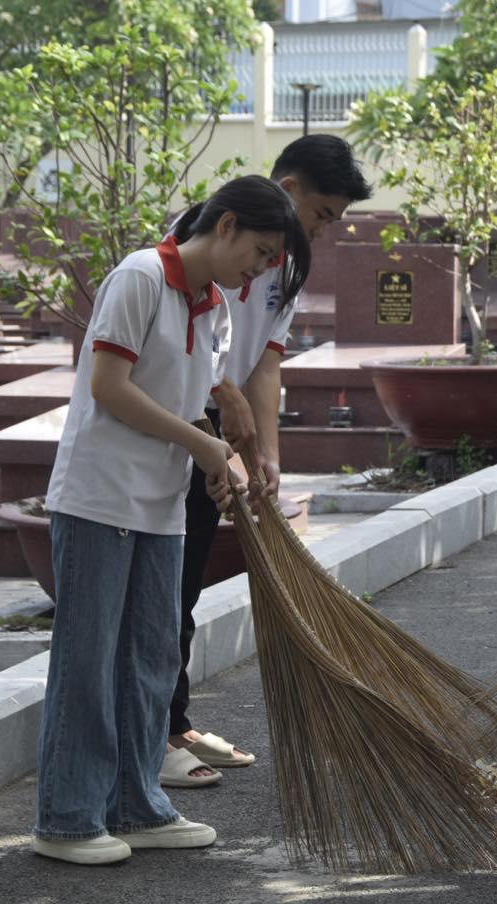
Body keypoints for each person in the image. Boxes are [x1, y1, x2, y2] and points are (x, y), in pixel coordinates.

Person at [33, 175, 311, 865]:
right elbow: (109, 388)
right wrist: (201, 444)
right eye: (261, 249)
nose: (261, 269)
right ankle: (67, 818)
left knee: (151, 660)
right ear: (224, 225)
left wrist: (222, 464)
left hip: (159, 509)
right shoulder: (137, 278)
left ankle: (135, 805)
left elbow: (187, 406)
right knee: (87, 663)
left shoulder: (212, 306)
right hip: (99, 499)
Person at [161, 135, 373, 789]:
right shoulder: (206, 234)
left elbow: (266, 359)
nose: (321, 231)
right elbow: (186, 348)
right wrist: (223, 403)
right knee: (165, 584)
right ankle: (155, 734)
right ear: (288, 190)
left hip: (219, 434)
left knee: (188, 580)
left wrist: (269, 454)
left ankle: (175, 720)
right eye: (322, 215)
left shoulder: (289, 263)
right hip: (176, 428)